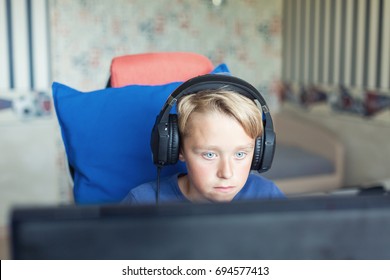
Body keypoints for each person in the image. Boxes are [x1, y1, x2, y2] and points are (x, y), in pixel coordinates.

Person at [122, 86, 284, 205]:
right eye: (210, 155)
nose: (226, 173)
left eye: (240, 154)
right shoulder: (142, 202)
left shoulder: (268, 196)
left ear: (259, 152)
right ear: (179, 148)